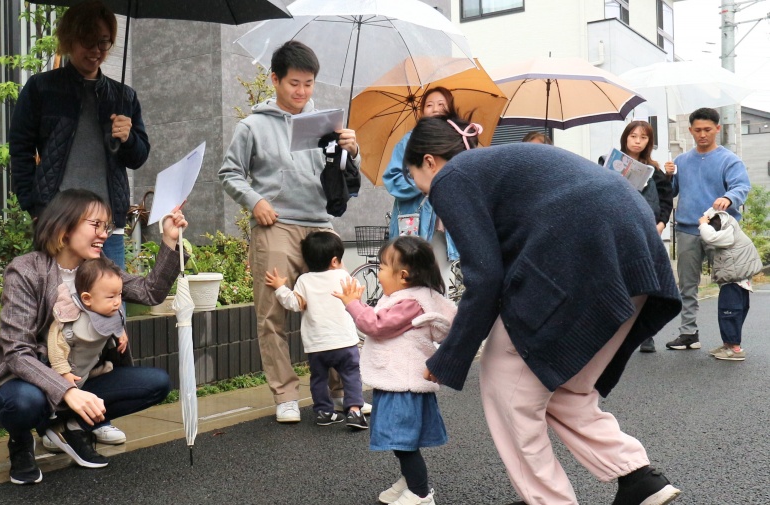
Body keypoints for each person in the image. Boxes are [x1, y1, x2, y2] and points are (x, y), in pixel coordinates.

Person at [404, 116, 683, 505]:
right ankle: (638, 478)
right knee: (563, 381)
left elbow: (485, 278)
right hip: (635, 247)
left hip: (579, 251)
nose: (422, 190)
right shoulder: (494, 167)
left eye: (414, 178)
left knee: (505, 380)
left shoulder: (452, 177)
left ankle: (548, 500)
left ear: (430, 161)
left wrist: (449, 356)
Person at [0, 189, 186, 485]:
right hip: (27, 381)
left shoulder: (97, 269)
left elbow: (149, 292)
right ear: (64, 227)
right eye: (95, 225)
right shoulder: (26, 270)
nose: (103, 234)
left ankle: (70, 425)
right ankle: (20, 440)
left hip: (82, 375)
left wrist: (169, 239)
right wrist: (65, 390)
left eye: (106, 226)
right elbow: (16, 352)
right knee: (24, 403)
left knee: (156, 383)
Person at [219, 40, 368, 424]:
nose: (302, 91)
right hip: (275, 225)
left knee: (337, 305)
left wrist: (352, 150)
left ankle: (343, 391)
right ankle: (285, 394)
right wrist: (255, 201)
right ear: (275, 79)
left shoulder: (325, 124)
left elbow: (344, 174)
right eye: (294, 83)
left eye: (309, 83)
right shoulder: (252, 126)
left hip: (320, 225)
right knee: (273, 312)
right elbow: (230, 173)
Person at [9, 0, 149, 272]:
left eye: (103, 42)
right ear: (69, 39)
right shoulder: (41, 89)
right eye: (87, 40)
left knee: (109, 295)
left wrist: (128, 138)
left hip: (108, 225)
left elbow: (138, 157)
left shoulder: (124, 96)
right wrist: (35, 209)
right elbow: (20, 149)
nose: (96, 50)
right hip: (59, 221)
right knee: (55, 295)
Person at [333, 235, 456, 505]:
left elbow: (376, 325)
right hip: (401, 382)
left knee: (403, 443)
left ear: (403, 276)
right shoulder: (407, 298)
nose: (378, 273)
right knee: (403, 442)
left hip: (404, 386)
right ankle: (410, 480)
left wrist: (353, 303)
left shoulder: (410, 303)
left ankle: (420, 494)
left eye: (381, 267)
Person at [665, 107, 750, 351]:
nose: (702, 134)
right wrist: (667, 176)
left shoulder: (729, 160)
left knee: (730, 284)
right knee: (687, 285)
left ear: (717, 129)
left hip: (721, 230)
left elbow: (741, 186)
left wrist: (729, 198)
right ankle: (688, 333)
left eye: (707, 130)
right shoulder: (681, 161)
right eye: (698, 130)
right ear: (690, 130)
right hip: (687, 229)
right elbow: (670, 192)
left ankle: (730, 341)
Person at [264, 231, 368, 429]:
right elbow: (355, 299)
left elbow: (295, 304)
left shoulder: (304, 280)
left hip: (317, 345)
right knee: (351, 375)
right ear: (335, 261)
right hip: (345, 342)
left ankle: (324, 412)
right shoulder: (344, 276)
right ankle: (354, 411)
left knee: (318, 378)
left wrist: (280, 288)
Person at [610, 120, 674, 353]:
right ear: (625, 138)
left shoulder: (654, 170)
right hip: (618, 231)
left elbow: (666, 200)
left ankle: (645, 334)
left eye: (643, 137)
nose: (637, 141)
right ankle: (616, 333)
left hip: (648, 232)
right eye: (633, 136)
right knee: (620, 282)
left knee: (647, 283)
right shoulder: (610, 163)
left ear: (649, 142)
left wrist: (661, 224)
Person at [382, 87, 460, 277]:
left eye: (441, 104)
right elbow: (392, 178)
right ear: (422, 111)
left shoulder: (456, 141)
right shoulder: (409, 141)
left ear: (450, 108)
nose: (436, 109)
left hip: (446, 226)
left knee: (439, 280)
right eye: (429, 105)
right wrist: (422, 181)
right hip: (414, 224)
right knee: (411, 278)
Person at [47, 256, 127, 390]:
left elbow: (115, 321)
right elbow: (55, 345)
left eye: (119, 294)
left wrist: (121, 332)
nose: (117, 302)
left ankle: (92, 373)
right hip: (69, 374)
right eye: (111, 296)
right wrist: (63, 372)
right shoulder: (71, 317)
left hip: (90, 364)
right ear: (87, 299)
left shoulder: (110, 310)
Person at [698, 207, 763, 361]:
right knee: (733, 312)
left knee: (729, 312)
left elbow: (710, 237)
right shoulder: (731, 228)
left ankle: (735, 349)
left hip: (734, 282)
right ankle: (728, 344)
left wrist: (703, 224)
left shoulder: (729, 231)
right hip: (739, 281)